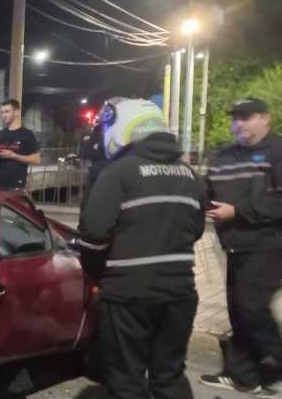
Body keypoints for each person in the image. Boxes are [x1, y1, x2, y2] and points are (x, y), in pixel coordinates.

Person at [78, 98, 207, 399]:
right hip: (179, 293)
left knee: (126, 379)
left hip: (128, 296)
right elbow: (196, 230)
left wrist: (97, 275)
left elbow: (94, 235)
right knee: (169, 375)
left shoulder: (118, 173)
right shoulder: (190, 176)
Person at [200, 98, 282, 397]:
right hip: (233, 246)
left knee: (252, 307)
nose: (239, 123)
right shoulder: (223, 155)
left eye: (246, 117)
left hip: (269, 245)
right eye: (235, 118)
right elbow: (205, 191)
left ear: (265, 118)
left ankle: (275, 365)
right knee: (238, 310)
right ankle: (245, 376)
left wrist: (238, 211)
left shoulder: (278, 151)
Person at [0, 99, 40, 189]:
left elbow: (36, 159)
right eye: (2, 112)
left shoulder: (27, 135)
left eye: (7, 111)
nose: (4, 115)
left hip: (16, 185)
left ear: (16, 112)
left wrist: (13, 156)